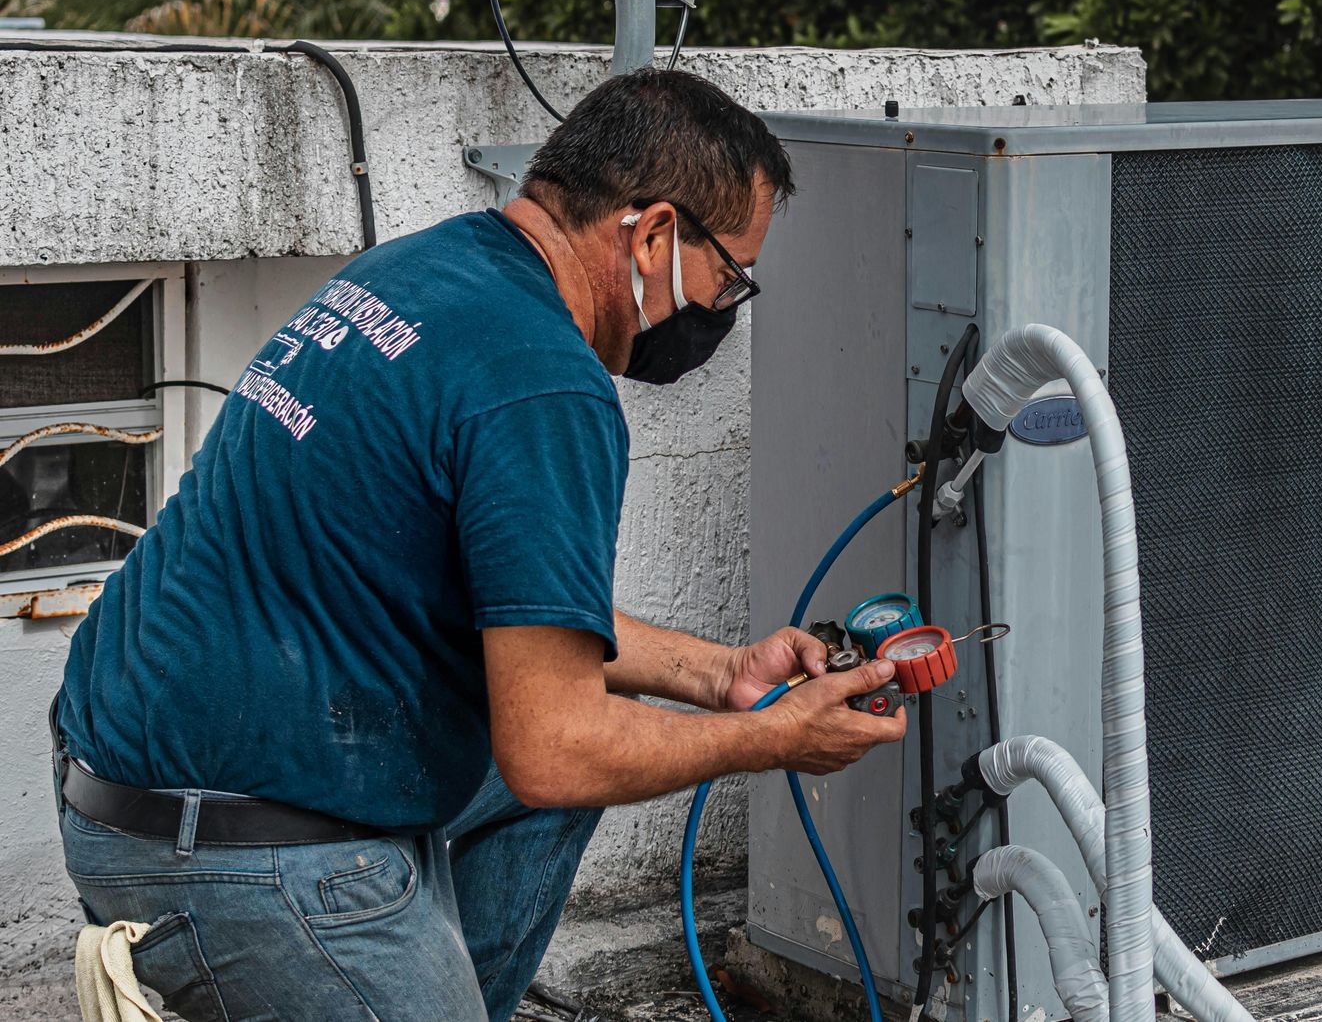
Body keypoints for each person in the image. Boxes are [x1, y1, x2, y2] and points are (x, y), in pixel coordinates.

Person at [51, 68, 904, 1022]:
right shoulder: (546, 385)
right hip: (232, 848)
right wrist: (772, 736)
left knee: (561, 766)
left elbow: (526, 618)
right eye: (731, 277)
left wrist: (722, 675)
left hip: (118, 765)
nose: (726, 308)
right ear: (656, 234)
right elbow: (556, 747)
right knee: (573, 758)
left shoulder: (417, 272)